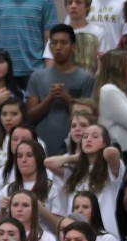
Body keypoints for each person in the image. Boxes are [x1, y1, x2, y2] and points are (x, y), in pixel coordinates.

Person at [26, 24, 96, 156]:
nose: (58, 47)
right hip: (42, 147)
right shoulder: (37, 77)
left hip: (76, 147)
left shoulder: (86, 78)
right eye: (54, 43)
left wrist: (67, 99)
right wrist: (50, 98)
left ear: (73, 46)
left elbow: (90, 116)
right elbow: (29, 117)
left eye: (63, 43)